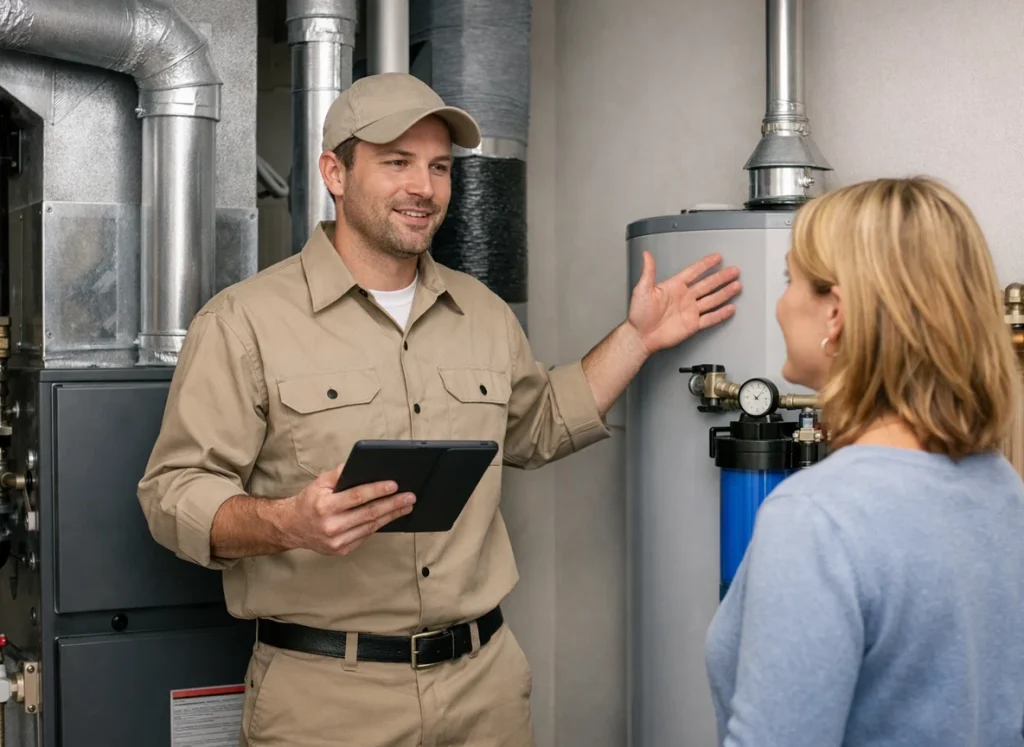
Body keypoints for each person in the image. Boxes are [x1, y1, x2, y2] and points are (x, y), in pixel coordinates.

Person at [137, 72, 742, 747]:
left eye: (439, 167)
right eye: (397, 162)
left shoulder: (480, 312)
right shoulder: (243, 321)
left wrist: (637, 338)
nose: (423, 187)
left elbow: (537, 423)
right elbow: (172, 494)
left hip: (483, 691)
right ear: (335, 172)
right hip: (327, 700)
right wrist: (288, 522)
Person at [704, 176, 1024, 746]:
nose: (779, 305)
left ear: (836, 314)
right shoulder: (999, 484)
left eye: (790, 281)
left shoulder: (817, 518)